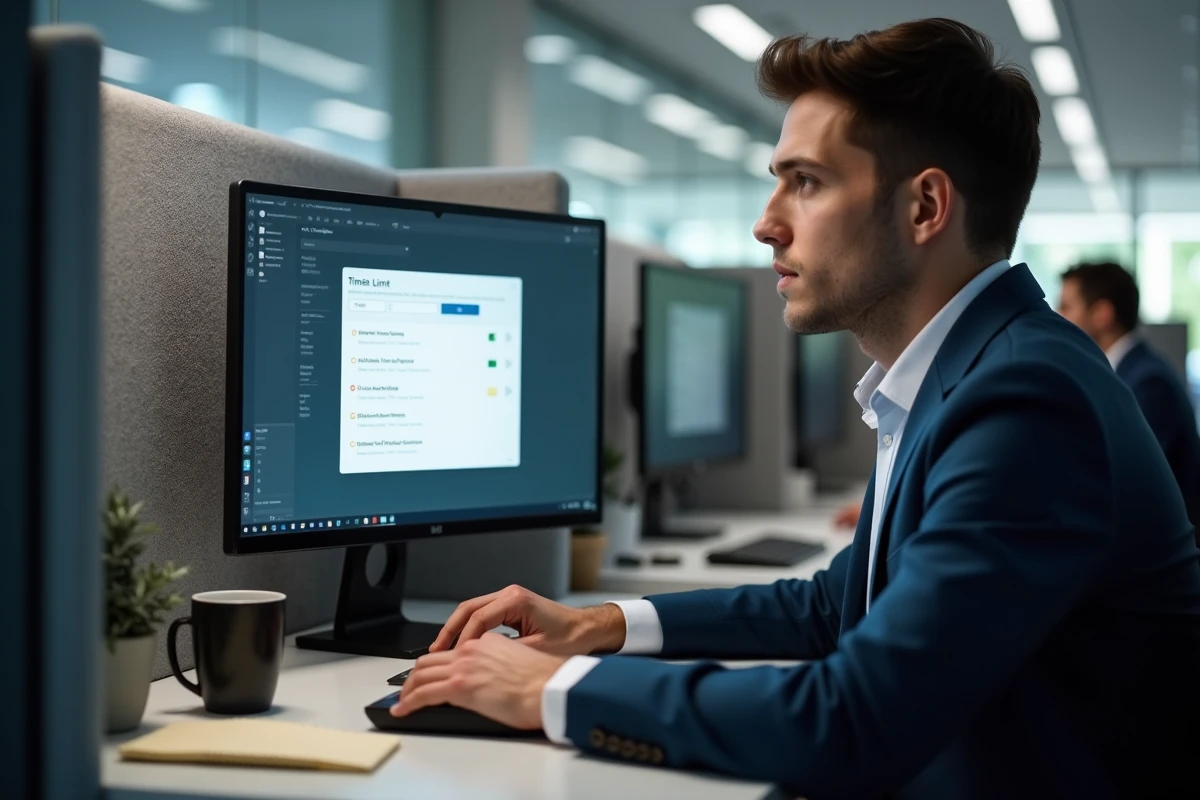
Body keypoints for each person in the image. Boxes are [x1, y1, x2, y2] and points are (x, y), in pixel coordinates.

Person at [393, 18, 1200, 798]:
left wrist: (558, 690)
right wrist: (599, 624)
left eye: (805, 182)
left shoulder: (1024, 400)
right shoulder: (972, 371)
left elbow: (854, 719)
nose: (765, 223)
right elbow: (831, 606)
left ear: (925, 208)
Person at [1059, 261, 1200, 538]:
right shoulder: (1124, 373)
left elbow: (1127, 481)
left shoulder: (1148, 382)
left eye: (1066, 307)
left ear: (1102, 314)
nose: (1057, 316)